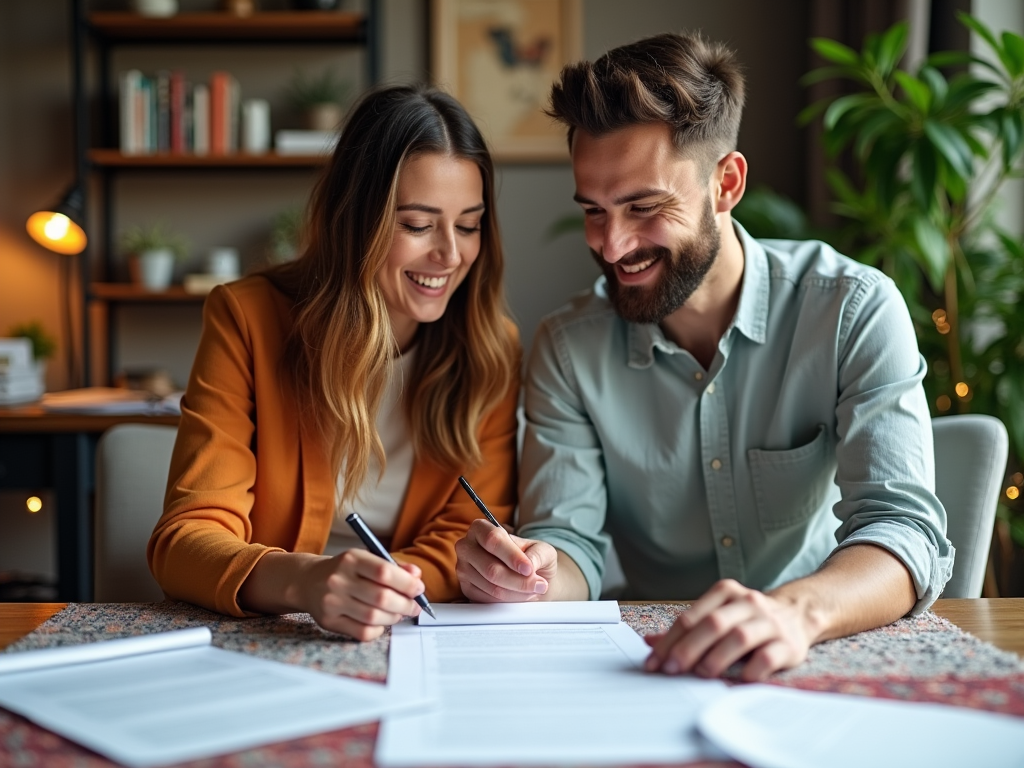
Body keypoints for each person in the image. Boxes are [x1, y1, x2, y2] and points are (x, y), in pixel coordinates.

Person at [455, 32, 954, 680]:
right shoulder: (567, 348)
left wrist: (792, 614)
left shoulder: (851, 311)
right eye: (594, 212)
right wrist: (528, 579)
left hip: (820, 643)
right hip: (658, 670)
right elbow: (569, 544)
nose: (612, 246)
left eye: (644, 208)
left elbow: (904, 531)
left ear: (727, 183)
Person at [149, 84, 520, 641]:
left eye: (468, 225)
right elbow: (186, 540)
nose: (450, 254)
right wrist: (307, 581)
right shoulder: (247, 320)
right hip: (274, 633)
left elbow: (466, 534)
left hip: (420, 635)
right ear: (356, 221)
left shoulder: (490, 347)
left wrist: (384, 590)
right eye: (418, 225)